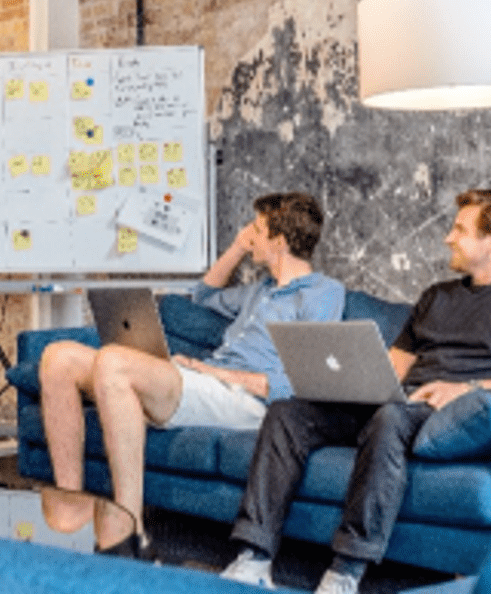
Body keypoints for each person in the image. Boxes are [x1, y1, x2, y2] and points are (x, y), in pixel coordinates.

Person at [222, 189, 491, 594]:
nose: (448, 236)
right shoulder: (436, 297)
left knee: (389, 417)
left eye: (460, 229)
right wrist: (343, 381)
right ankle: (252, 558)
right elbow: (390, 370)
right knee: (288, 412)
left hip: (452, 410)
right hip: (401, 400)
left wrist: (465, 387)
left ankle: (345, 572)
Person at [39, 192, 345, 558]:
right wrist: (235, 249)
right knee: (58, 358)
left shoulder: (322, 294)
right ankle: (71, 501)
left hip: (246, 401)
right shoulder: (260, 291)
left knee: (114, 363)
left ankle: (130, 526)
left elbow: (301, 381)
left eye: (257, 229)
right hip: (206, 383)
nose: (249, 234)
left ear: (279, 242)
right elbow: (200, 296)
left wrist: (217, 372)